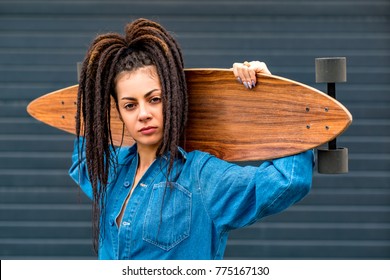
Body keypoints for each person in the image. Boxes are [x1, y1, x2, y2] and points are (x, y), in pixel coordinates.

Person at [69, 18, 314, 260]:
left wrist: (275, 96)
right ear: (119, 112)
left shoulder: (201, 177)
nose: (143, 114)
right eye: (130, 105)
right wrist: (91, 97)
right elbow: (83, 159)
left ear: (173, 98)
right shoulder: (111, 171)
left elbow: (288, 181)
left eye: (155, 99)